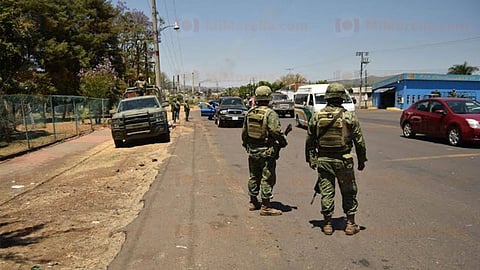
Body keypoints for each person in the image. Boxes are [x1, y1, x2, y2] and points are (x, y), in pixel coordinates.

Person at [305, 83, 367, 235]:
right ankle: (350, 224)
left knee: (327, 192)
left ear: (327, 97)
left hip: (324, 161)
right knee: (349, 192)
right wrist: (361, 160)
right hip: (343, 161)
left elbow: (310, 141)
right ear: (341, 98)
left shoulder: (317, 116)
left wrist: (311, 159)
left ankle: (327, 224)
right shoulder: (348, 116)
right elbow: (359, 141)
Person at [241, 86, 288, 216]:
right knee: (267, 177)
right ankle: (266, 206)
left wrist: (247, 146)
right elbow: (275, 131)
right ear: (268, 98)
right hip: (266, 151)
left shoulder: (250, 112)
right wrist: (283, 141)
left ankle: (252, 201)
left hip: (253, 151)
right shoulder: (270, 114)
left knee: (253, 176)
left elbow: (244, 132)